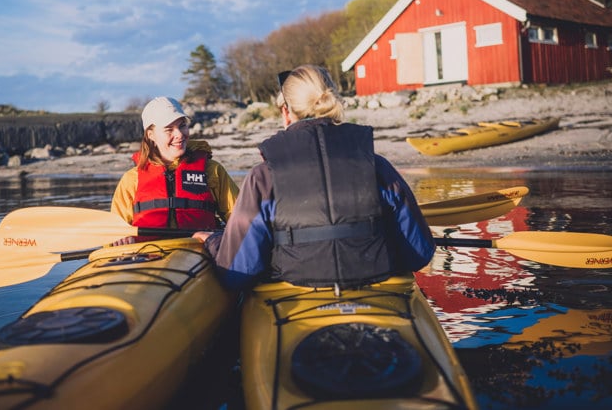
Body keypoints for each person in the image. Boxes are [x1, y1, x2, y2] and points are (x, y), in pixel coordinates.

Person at [195, 65, 435, 291]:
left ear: (285, 112)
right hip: (375, 291)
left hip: (293, 297)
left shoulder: (263, 178)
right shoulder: (378, 167)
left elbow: (237, 271)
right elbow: (419, 253)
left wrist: (215, 242)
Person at [111, 96, 240, 242]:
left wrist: (218, 237)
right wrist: (120, 239)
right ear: (151, 135)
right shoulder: (131, 180)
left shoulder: (212, 171)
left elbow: (243, 221)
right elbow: (114, 234)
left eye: (182, 125)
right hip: (147, 255)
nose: (179, 134)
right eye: (168, 129)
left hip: (200, 251)